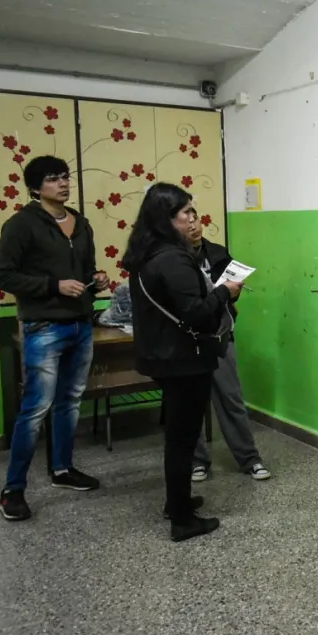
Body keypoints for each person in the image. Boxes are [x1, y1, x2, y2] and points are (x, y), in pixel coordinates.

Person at [122, 183, 242, 542]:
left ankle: (178, 503)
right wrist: (225, 292)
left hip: (162, 355)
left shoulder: (146, 252)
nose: (193, 218)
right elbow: (196, 313)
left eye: (193, 211)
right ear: (165, 218)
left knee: (178, 435)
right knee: (182, 440)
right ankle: (182, 520)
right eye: (185, 213)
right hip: (184, 358)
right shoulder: (173, 258)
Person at [0, 155, 109, 521]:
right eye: (54, 179)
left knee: (69, 402)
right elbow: (2, 276)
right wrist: (53, 286)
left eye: (65, 177)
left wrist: (96, 279)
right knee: (35, 409)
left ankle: (62, 469)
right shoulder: (21, 224)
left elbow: (85, 270)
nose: (63, 183)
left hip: (81, 324)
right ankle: (13, 489)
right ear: (35, 187)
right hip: (43, 327)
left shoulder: (81, 223)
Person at [187, 220, 271, 483]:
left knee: (231, 399)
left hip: (219, 335)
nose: (193, 225)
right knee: (191, 404)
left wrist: (232, 293)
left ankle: (250, 459)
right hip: (186, 339)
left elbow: (232, 295)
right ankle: (197, 462)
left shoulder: (217, 253)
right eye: (186, 219)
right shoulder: (173, 259)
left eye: (195, 218)